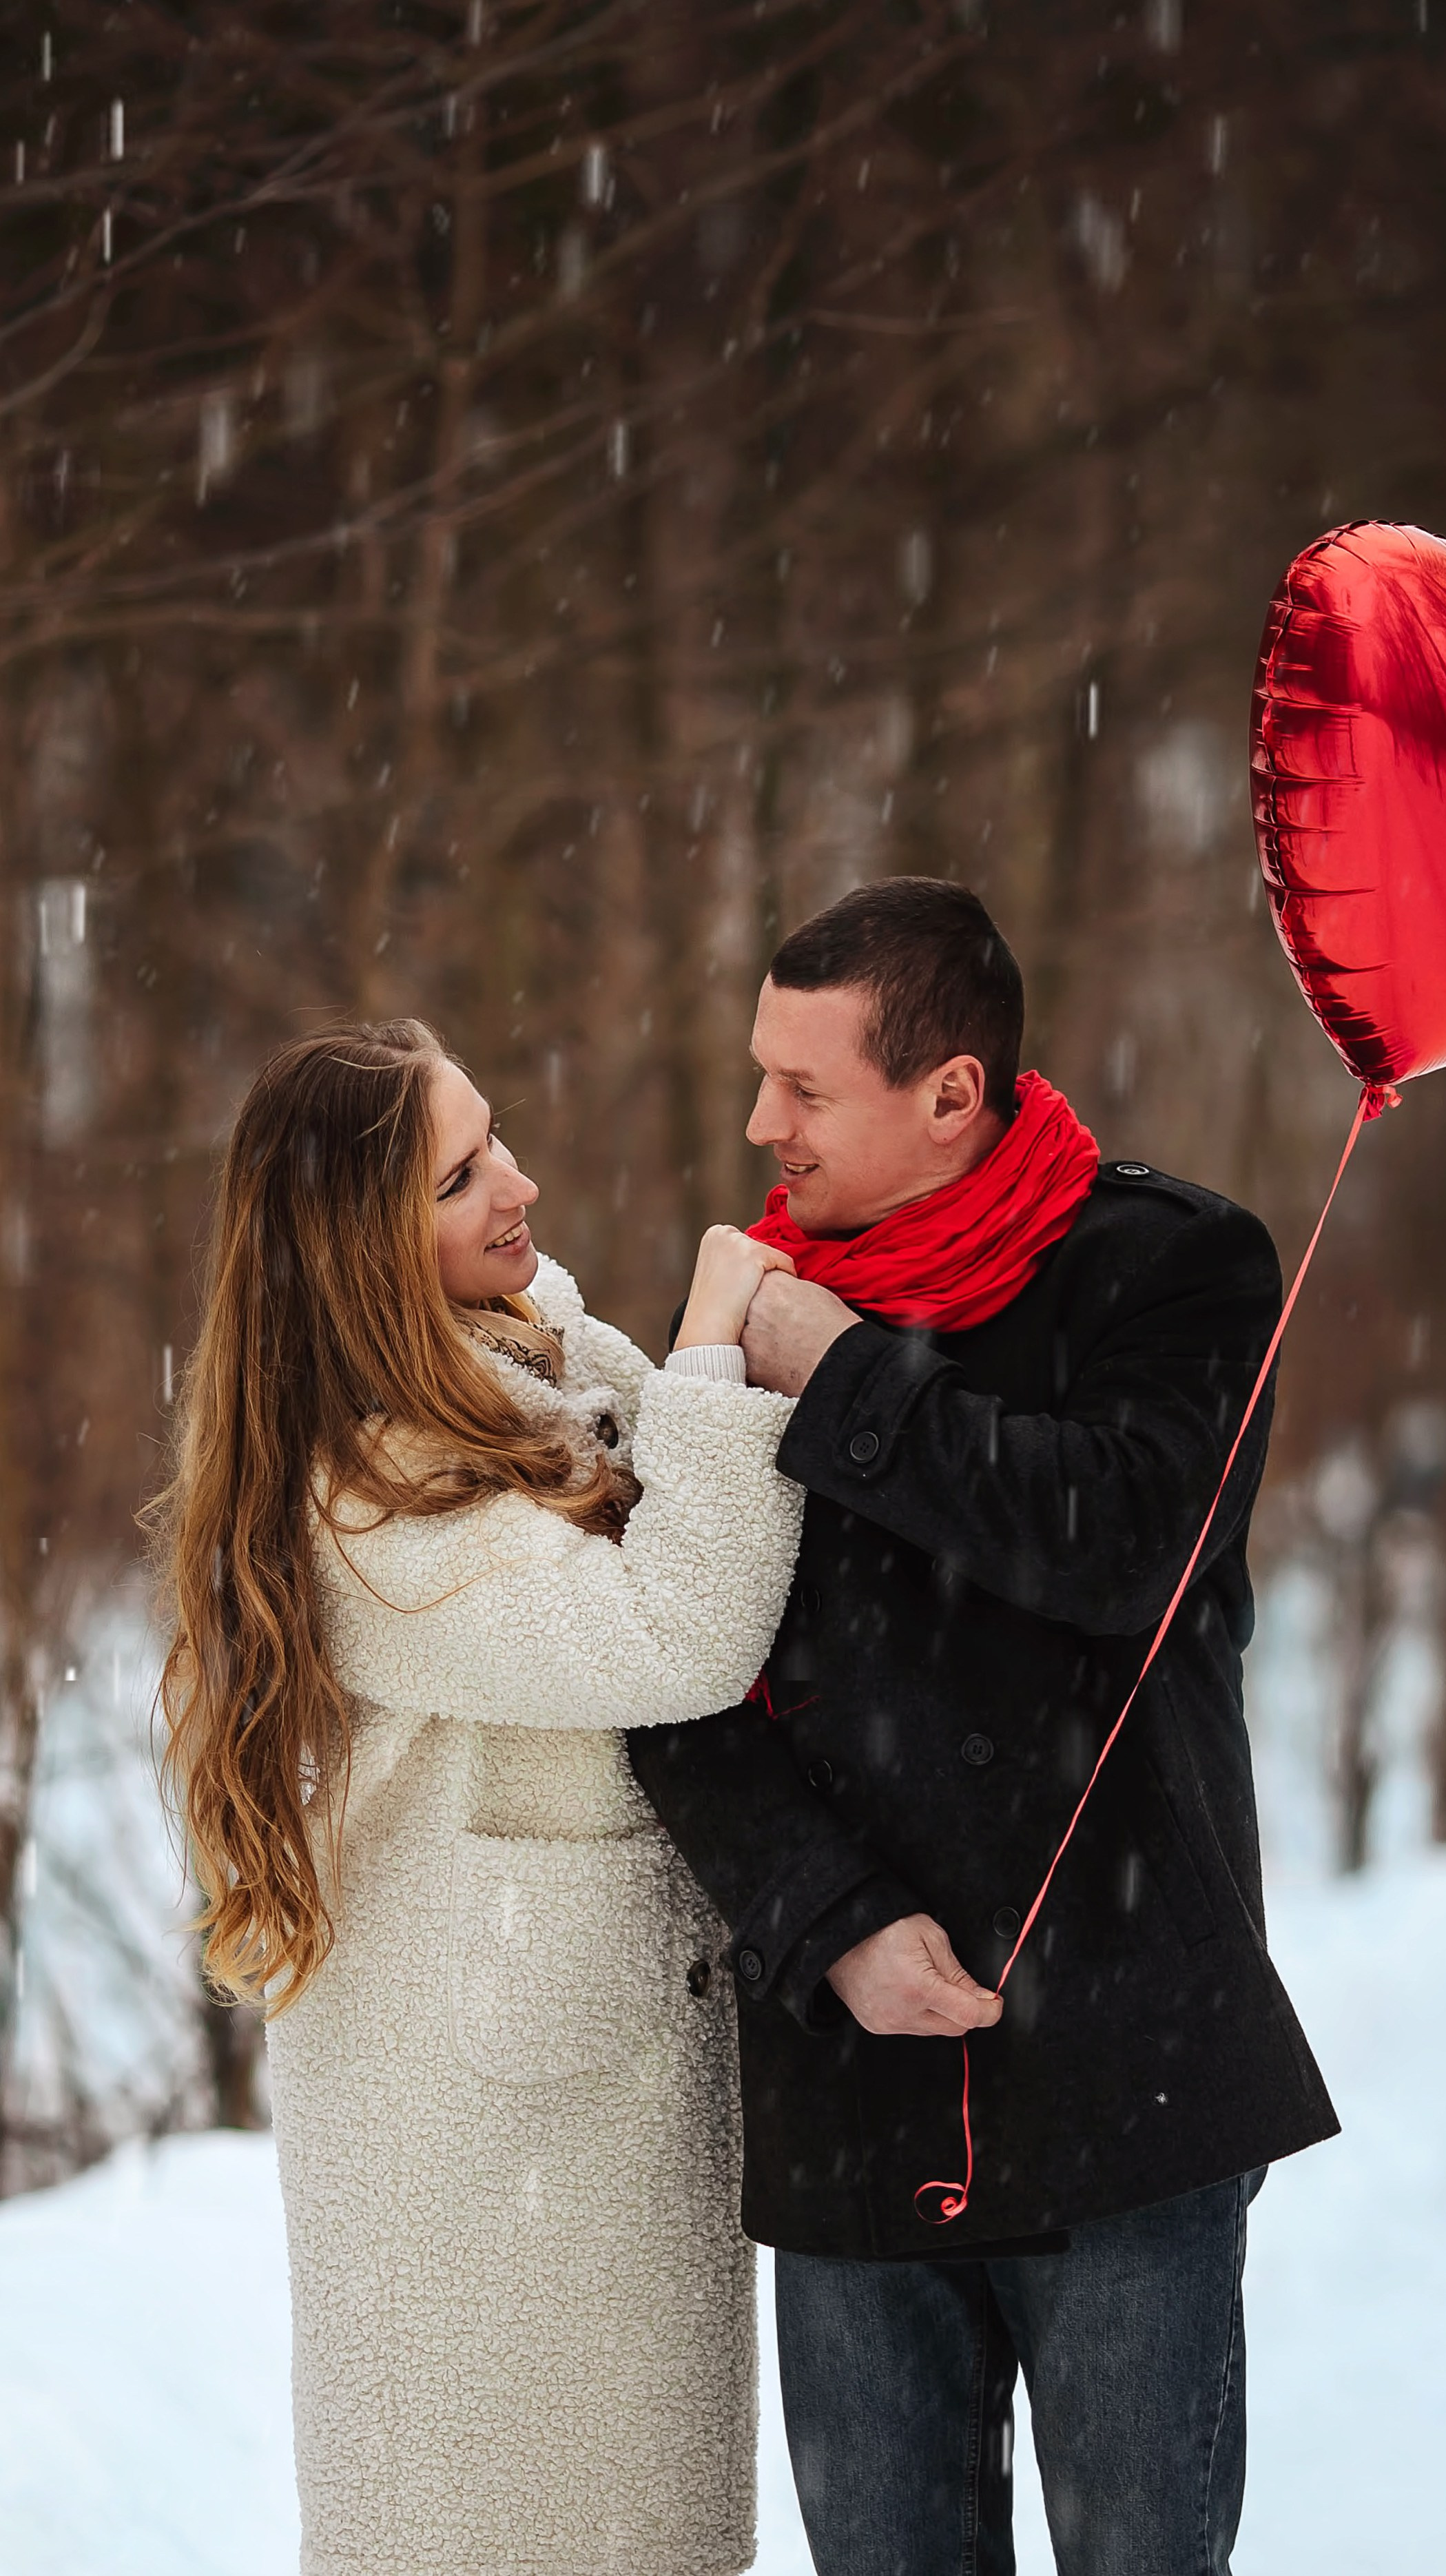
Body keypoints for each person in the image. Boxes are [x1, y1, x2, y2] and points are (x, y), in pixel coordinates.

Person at [629, 880, 1339, 2576]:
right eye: (757, 1075)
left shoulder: (1174, 1265)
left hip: (1124, 2077)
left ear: (952, 1091)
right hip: (850, 2096)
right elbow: (669, 1674)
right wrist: (833, 1921)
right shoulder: (742, 1304)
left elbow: (1109, 1544)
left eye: (805, 1088)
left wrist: (842, 1368)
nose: (757, 1124)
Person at [153, 1020, 801, 2576]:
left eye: (493, 1137)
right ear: (370, 1251)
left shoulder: (519, 1355)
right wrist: (714, 1330)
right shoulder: (366, 1489)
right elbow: (682, 1627)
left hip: (567, 2130)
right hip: (476, 2179)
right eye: (459, 1178)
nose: (517, 1183)